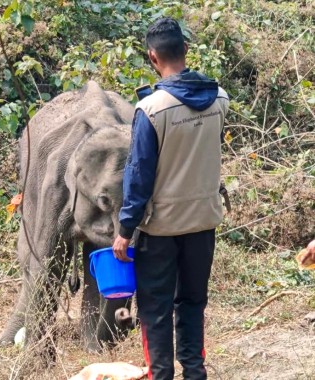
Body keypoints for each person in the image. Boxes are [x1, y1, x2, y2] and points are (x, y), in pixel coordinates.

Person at [113, 17, 229, 380]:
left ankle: (160, 375)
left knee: (154, 309)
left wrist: (125, 229)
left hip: (160, 229)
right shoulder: (220, 99)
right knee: (193, 303)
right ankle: (195, 373)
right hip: (203, 222)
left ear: (152, 57)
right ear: (187, 51)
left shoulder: (151, 109)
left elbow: (139, 176)